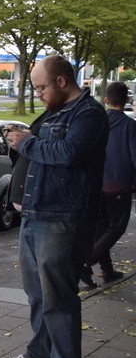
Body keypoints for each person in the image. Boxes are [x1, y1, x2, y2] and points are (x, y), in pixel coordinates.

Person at [0, 55, 108, 358]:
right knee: (37, 294)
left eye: (41, 87)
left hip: (62, 217)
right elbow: (45, 152)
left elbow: (68, 153)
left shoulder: (88, 114)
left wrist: (27, 142)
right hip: (35, 214)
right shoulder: (55, 112)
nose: (39, 93)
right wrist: (24, 141)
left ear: (62, 81)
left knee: (58, 298)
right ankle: (40, 353)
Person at [80, 80, 135, 288]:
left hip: (96, 184)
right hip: (118, 185)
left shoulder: (98, 122)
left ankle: (107, 270)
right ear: (126, 100)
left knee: (102, 229)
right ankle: (86, 262)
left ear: (106, 100)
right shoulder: (130, 126)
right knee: (117, 228)